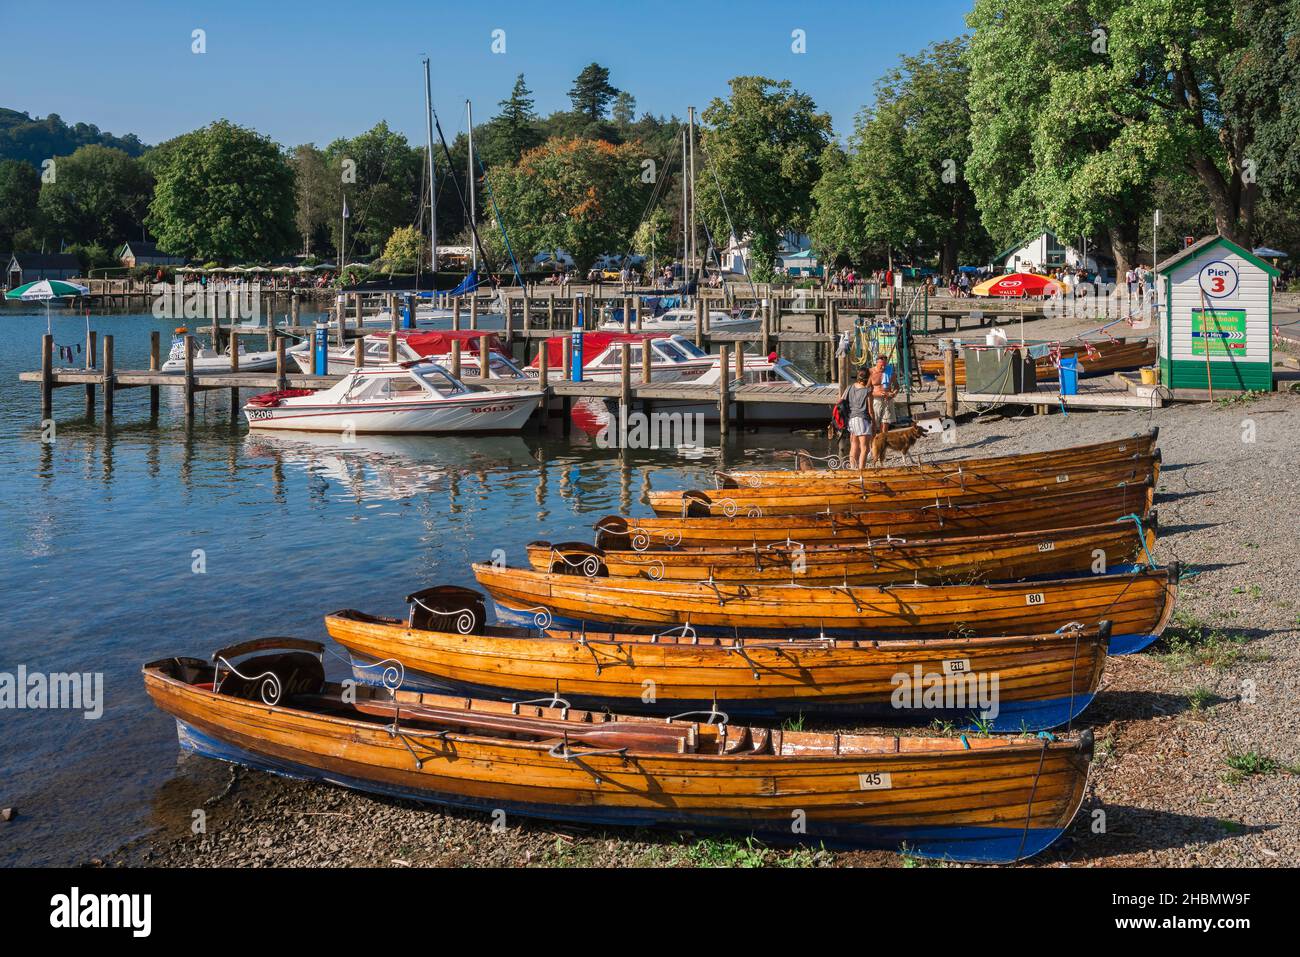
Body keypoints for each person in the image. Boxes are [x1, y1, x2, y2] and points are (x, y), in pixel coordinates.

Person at [844, 367, 873, 470]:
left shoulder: (849, 387)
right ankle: (861, 470)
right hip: (862, 419)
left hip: (852, 419)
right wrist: (874, 423)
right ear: (868, 378)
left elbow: (842, 401)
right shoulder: (867, 391)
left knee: (854, 445)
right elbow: (870, 410)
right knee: (865, 448)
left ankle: (853, 468)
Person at [868, 353, 897, 439]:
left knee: (885, 424)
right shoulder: (870, 372)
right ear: (876, 363)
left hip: (887, 400)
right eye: (881, 365)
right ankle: (872, 445)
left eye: (885, 365)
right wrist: (877, 393)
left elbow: (896, 386)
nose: (883, 367)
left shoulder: (890, 372)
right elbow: (866, 389)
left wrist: (894, 393)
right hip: (875, 400)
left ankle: (883, 444)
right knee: (874, 425)